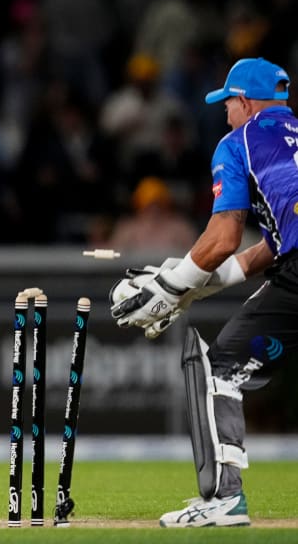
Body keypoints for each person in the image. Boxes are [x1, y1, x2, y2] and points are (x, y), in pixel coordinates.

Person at [109, 57, 295, 528]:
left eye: (228, 103)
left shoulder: (240, 143)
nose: (225, 112)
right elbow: (268, 250)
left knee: (221, 370)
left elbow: (224, 238)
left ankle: (223, 499)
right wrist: (185, 290)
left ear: (247, 102)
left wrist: (167, 289)